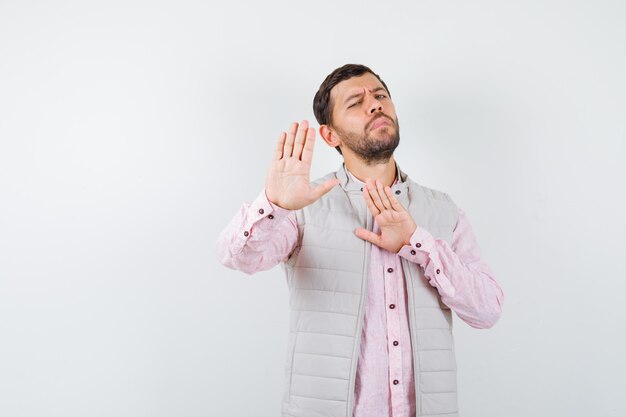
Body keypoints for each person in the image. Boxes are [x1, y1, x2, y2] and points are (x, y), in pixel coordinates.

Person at [216, 64, 504, 417]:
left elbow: (488, 310)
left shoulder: (443, 210)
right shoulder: (304, 206)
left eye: (380, 95)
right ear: (330, 136)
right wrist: (273, 204)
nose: (375, 105)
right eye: (356, 102)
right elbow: (238, 258)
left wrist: (417, 242)